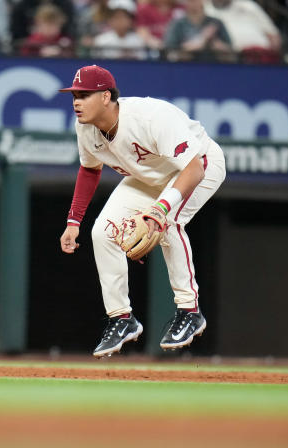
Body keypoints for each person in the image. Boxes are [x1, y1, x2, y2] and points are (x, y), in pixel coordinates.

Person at [59, 65, 226, 358]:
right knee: (102, 232)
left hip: (200, 165)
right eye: (74, 95)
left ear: (106, 96)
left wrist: (159, 210)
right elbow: (89, 169)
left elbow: (194, 168)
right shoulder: (85, 128)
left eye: (84, 95)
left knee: (169, 221)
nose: (76, 101)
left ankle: (189, 310)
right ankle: (121, 318)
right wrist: (74, 220)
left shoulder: (149, 118)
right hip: (149, 177)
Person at [204, 0, 281, 63]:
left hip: (262, 58)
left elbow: (273, 35)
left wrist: (271, 54)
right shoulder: (205, 8)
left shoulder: (248, 5)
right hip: (231, 59)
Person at [164, 0, 233, 61]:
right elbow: (170, 49)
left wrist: (216, 44)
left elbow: (230, 48)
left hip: (212, 65)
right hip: (185, 66)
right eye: (191, 1)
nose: (194, 3)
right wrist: (201, 40)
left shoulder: (215, 23)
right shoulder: (178, 24)